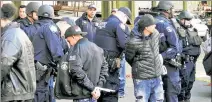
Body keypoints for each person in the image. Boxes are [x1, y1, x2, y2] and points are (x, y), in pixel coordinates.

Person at [61, 25, 108, 102]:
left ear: (73, 36)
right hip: (95, 94)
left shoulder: (75, 50)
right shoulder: (97, 48)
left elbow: (76, 71)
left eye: (69, 41)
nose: (70, 44)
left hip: (82, 94)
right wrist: (98, 87)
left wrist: (92, 88)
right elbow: (104, 68)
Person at [95, 7, 132, 102]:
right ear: (124, 16)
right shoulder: (118, 24)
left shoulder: (101, 23)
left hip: (97, 62)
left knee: (100, 90)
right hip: (110, 64)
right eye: (126, 20)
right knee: (110, 92)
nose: (125, 23)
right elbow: (124, 44)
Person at [1, 3, 36, 102]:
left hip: (14, 93)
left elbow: (4, 63)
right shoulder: (18, 33)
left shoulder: (10, 37)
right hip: (22, 91)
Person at [126, 14, 164, 102]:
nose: (155, 25)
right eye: (153, 24)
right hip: (142, 79)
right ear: (146, 27)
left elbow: (157, 49)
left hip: (157, 76)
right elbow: (129, 58)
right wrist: (140, 66)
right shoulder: (133, 41)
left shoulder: (156, 34)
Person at [32, 5, 64, 102]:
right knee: (42, 94)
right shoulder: (49, 27)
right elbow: (57, 51)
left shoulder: (37, 27)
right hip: (43, 70)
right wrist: (62, 65)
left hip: (38, 69)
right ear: (51, 15)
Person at [155, 1, 181, 102]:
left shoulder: (152, 22)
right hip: (169, 65)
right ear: (167, 10)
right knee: (171, 93)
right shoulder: (167, 25)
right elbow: (175, 48)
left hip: (153, 65)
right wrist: (162, 56)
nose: (173, 11)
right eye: (172, 9)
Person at [174, 11, 203, 102]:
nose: (190, 22)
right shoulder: (177, 30)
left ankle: (186, 99)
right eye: (188, 20)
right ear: (182, 20)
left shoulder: (192, 30)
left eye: (190, 20)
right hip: (184, 61)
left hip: (192, 61)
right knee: (183, 84)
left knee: (190, 83)